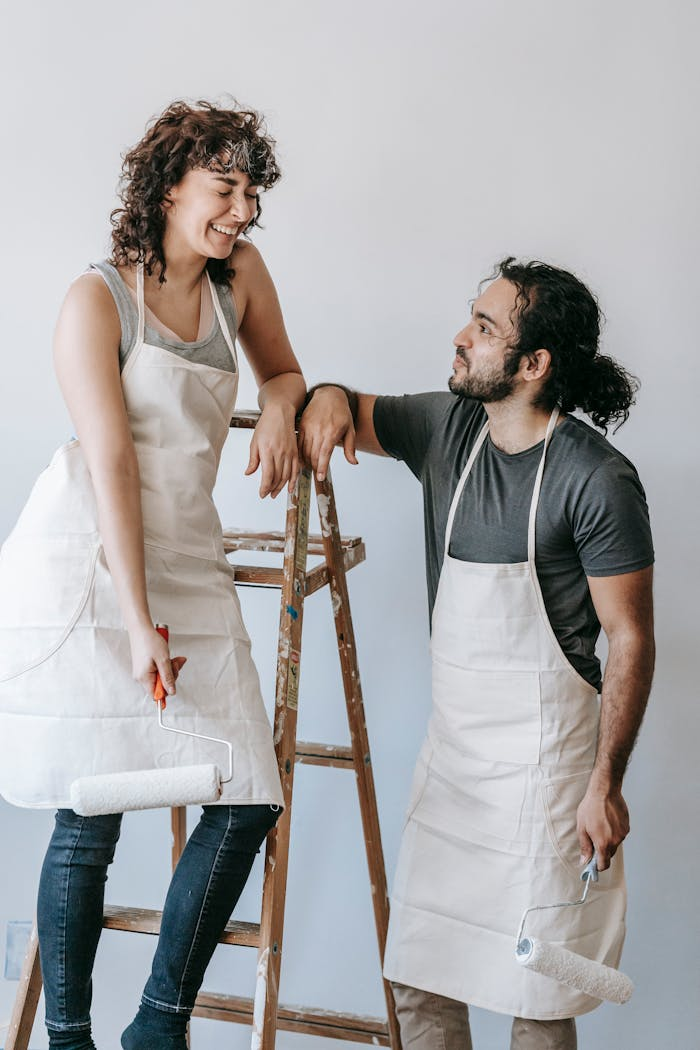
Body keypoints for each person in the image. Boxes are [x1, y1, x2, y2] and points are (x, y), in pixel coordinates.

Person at [0, 100, 306, 1050]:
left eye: (252, 191)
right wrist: (138, 622)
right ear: (170, 186)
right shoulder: (95, 299)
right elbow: (114, 468)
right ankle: (70, 1039)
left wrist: (287, 406)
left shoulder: (239, 278)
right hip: (96, 562)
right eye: (226, 188)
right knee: (90, 809)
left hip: (190, 550)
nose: (243, 210)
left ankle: (157, 1026)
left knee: (248, 793)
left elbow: (285, 373)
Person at [297, 258, 655, 1050]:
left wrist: (607, 785)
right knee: (419, 979)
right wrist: (322, 397)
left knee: (537, 995)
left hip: (549, 781)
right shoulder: (445, 430)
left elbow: (630, 638)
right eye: (473, 318)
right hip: (455, 770)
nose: (462, 338)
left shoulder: (597, 479)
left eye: (485, 329)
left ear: (534, 365)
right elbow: (344, 404)